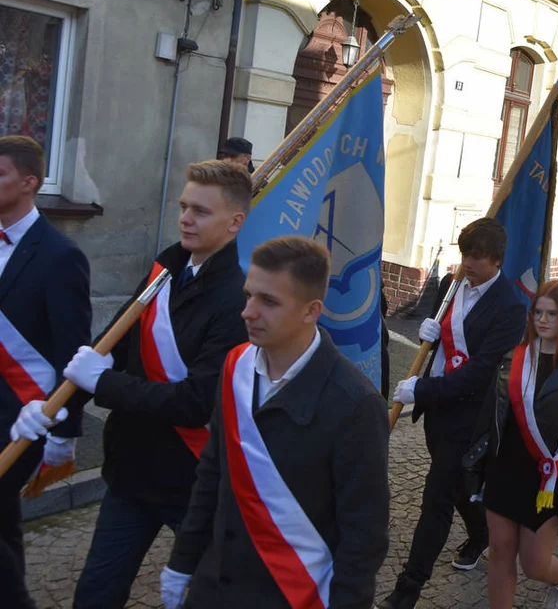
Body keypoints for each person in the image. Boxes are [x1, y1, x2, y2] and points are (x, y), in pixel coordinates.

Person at [17, 161, 251, 609]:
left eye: (200, 211)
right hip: (131, 474)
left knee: (208, 599)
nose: (185, 217)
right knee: (95, 595)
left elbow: (194, 404)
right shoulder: (163, 272)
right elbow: (111, 352)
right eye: (184, 207)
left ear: (234, 222)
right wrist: (53, 408)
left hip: (193, 482)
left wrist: (101, 383)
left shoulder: (234, 303)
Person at [160, 237, 389, 608]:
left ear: (310, 310)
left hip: (290, 595)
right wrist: (183, 561)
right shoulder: (235, 366)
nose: (247, 312)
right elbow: (212, 473)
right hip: (213, 587)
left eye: (268, 302)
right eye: (248, 295)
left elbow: (364, 537)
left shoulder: (356, 405)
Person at [379, 218, 527, 609]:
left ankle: (408, 588)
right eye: (465, 254)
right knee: (461, 485)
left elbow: (481, 373)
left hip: (470, 418)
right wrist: (429, 334)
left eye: (478, 257)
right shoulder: (451, 285)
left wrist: (422, 389)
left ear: (496, 260)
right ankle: (480, 533)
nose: (468, 263)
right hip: (437, 413)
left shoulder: (511, 307)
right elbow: (443, 341)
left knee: (437, 498)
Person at [467, 280, 558, 609]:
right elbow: (489, 417)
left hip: (547, 480)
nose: (542, 320)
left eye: (552, 314)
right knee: (500, 551)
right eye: (537, 313)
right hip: (504, 470)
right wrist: (474, 469)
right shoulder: (512, 358)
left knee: (534, 565)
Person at [1, 136, 91, 609]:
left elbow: (73, 352)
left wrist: (65, 431)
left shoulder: (59, 256)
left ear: (30, 183)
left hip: (22, 415)